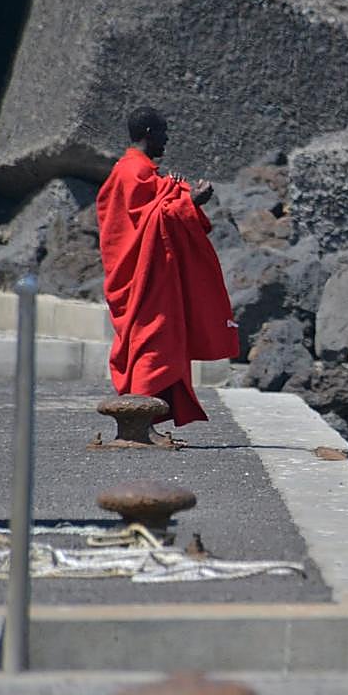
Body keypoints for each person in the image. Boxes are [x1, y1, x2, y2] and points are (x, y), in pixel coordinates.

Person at [96, 106, 239, 444]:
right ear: (148, 132)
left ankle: (144, 423)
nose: (167, 138)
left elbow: (153, 214)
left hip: (154, 273)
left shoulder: (137, 170)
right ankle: (139, 426)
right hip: (144, 277)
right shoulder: (133, 171)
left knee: (160, 341)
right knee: (152, 340)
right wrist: (193, 201)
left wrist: (187, 200)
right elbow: (148, 222)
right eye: (163, 132)